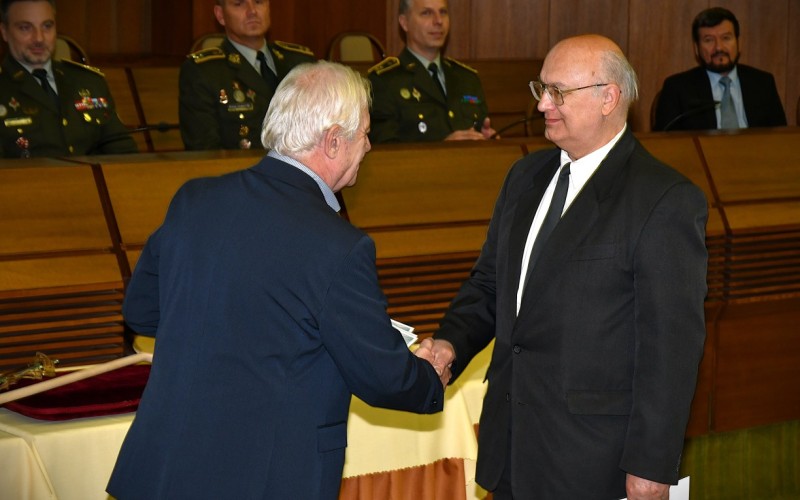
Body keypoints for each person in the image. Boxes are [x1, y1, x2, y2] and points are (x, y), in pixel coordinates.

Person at [107, 61, 445, 499]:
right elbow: (384, 378)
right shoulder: (339, 246)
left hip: (162, 472)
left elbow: (141, 312)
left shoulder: (194, 199)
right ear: (333, 142)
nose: (369, 144)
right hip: (261, 481)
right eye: (364, 133)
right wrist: (428, 379)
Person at [420, 35, 709, 499]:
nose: (542, 105)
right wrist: (450, 343)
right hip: (510, 448)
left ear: (608, 98)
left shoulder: (663, 199)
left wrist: (651, 464)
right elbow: (492, 285)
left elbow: (671, 348)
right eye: (541, 89)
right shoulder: (524, 177)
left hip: (592, 460)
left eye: (557, 92)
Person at [0, 0, 137, 158]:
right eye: (25, 28)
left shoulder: (88, 81)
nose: (39, 38)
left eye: (47, 26)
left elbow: (123, 152)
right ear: (5, 32)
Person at [179, 0, 316, 150]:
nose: (252, 11)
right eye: (239, 4)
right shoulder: (204, 72)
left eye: (258, 2)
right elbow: (204, 151)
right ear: (220, 15)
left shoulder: (301, 62)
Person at [368, 0, 496, 143]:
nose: (438, 21)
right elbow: (385, 149)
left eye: (443, 12)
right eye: (426, 13)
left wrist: (490, 139)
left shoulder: (467, 78)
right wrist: (442, 150)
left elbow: (483, 129)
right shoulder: (384, 81)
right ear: (404, 23)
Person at [653, 7, 786, 131]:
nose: (719, 47)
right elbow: (665, 141)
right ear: (696, 48)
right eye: (709, 40)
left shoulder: (763, 83)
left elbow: (781, 137)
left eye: (726, 38)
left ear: (739, 43)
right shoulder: (678, 88)